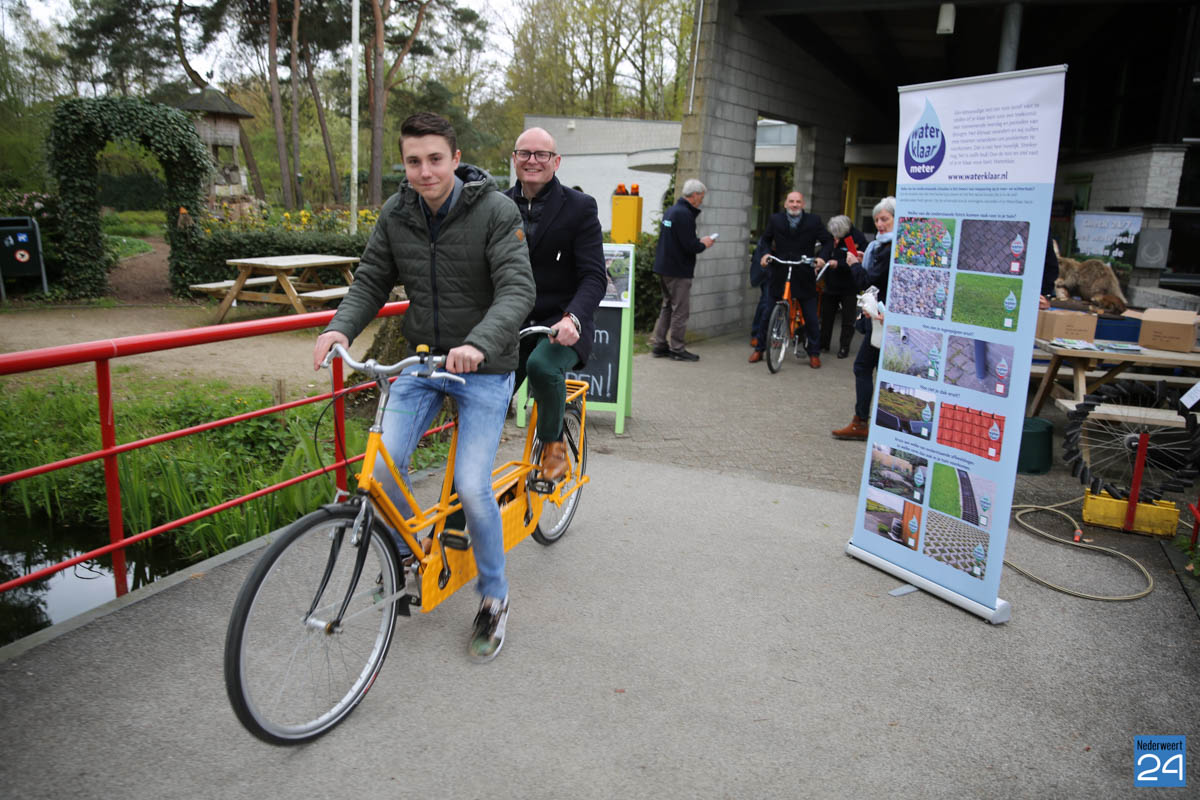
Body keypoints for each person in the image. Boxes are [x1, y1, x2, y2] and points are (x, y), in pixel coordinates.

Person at [312, 112, 535, 662]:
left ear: (455, 159)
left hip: (484, 365)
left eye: (435, 159)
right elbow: (371, 280)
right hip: (422, 360)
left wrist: (479, 343)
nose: (425, 171)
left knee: (472, 487)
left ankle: (495, 595)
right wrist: (339, 328)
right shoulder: (398, 212)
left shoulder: (496, 211)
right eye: (413, 161)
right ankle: (407, 555)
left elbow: (517, 289)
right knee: (383, 468)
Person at [503, 127, 606, 480]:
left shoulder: (579, 207)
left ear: (556, 161)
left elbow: (594, 276)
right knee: (485, 393)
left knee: (542, 366)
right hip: (510, 322)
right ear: (514, 159)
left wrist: (573, 317)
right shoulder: (497, 205)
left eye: (541, 154)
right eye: (525, 153)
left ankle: (553, 446)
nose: (532, 160)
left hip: (561, 323)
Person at [832, 196, 896, 440]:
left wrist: (854, 266)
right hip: (877, 318)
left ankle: (862, 423)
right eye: (877, 220)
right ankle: (873, 423)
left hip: (882, 319)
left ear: (897, 219)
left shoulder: (889, 249)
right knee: (872, 368)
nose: (880, 224)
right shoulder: (879, 247)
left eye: (885, 219)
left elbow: (868, 283)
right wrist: (861, 261)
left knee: (863, 367)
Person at [749, 191, 832, 367]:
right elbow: (765, 240)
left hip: (803, 272)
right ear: (786, 204)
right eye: (791, 201)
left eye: (798, 202)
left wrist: (821, 258)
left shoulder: (813, 221)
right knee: (767, 312)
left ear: (803, 204)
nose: (795, 204)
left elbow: (828, 241)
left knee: (810, 316)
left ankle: (814, 353)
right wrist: (766, 254)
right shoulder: (776, 220)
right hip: (780, 270)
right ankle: (759, 349)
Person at [650, 179, 715, 362]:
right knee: (680, 310)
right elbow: (689, 245)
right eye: (701, 196)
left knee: (667, 307)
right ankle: (677, 348)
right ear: (694, 195)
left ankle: (659, 344)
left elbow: (675, 239)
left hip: (664, 267)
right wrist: (704, 243)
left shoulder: (671, 211)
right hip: (678, 270)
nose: (701, 200)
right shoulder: (685, 214)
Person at [821, 215, 869, 359]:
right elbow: (825, 250)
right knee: (827, 316)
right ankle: (823, 344)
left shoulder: (853, 239)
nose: (835, 238)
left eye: (838, 235)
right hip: (831, 283)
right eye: (833, 235)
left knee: (848, 319)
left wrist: (838, 263)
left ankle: (844, 347)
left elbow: (853, 261)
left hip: (849, 285)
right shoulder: (831, 236)